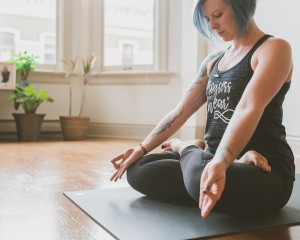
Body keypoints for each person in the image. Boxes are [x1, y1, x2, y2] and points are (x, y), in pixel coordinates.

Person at [110, 0, 295, 218]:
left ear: (241, 6)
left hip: (266, 173)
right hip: (213, 161)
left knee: (199, 177)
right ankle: (200, 166)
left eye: (218, 15)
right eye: (208, 20)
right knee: (138, 170)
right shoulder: (213, 61)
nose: (212, 26)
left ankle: (187, 150)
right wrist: (141, 149)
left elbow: (247, 107)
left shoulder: (273, 49)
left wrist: (220, 162)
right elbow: (181, 110)